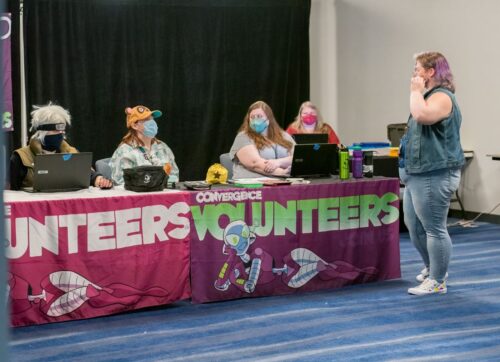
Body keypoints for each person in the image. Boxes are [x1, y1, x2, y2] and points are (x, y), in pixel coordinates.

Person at [399, 52, 464, 296]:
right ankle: (433, 268)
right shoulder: (427, 96)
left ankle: (438, 280)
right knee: (414, 226)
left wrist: (415, 91)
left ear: (430, 72)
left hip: (434, 172)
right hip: (416, 172)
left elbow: (421, 115)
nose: (414, 73)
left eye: (417, 69)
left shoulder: (442, 97)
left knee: (434, 228)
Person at [9, 103, 113, 190]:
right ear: (42, 131)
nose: (61, 133)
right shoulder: (20, 157)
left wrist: (99, 179)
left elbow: (88, 174)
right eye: (56, 130)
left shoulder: (72, 152)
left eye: (62, 130)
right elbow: (14, 193)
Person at [110, 105, 179, 185]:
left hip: (164, 194)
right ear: (134, 125)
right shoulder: (125, 151)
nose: (152, 123)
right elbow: (121, 183)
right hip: (138, 196)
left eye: (152, 119)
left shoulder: (163, 147)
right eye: (146, 120)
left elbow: (174, 176)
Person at [230, 100, 295, 179]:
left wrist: (278, 162)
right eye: (252, 117)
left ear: (269, 119)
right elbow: (255, 163)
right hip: (252, 184)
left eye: (259, 116)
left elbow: (298, 158)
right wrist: (282, 172)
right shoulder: (243, 137)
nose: (255, 120)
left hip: (283, 181)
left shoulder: (284, 136)